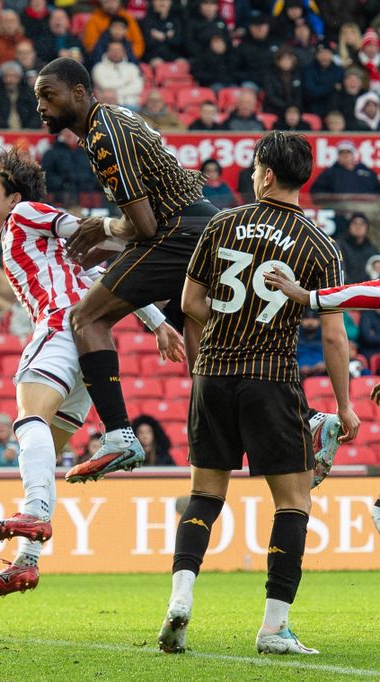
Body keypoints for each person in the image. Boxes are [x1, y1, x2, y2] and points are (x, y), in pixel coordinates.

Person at [158, 132, 356, 657]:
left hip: (214, 375)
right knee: (293, 501)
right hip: (271, 378)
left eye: (253, 166)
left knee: (204, 495)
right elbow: (334, 334)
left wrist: (220, 338)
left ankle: (180, 599)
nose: (251, 173)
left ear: (266, 174)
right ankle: (273, 628)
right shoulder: (320, 245)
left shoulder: (221, 224)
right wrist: (344, 405)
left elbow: (189, 302)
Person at [0, 149, 180, 597]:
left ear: (12, 199)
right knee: (46, 447)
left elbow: (77, 227)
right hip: (89, 341)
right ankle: (26, 561)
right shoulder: (34, 244)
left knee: (28, 418)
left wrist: (121, 228)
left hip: (60, 325)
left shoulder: (25, 213)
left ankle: (34, 513)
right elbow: (99, 275)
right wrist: (158, 324)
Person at [33, 58, 220, 483]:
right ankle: (293, 419)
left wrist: (102, 226)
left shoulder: (102, 136)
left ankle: (119, 434)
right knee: (199, 332)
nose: (41, 106)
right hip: (201, 227)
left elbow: (144, 226)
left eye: (48, 95)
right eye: (38, 98)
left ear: (79, 93)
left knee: (87, 317)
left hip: (178, 234)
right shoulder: (113, 122)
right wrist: (107, 242)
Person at [309, 140, 380, 200]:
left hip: (365, 209)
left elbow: (377, 190)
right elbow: (316, 192)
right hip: (339, 210)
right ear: (338, 156)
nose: (345, 155)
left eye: (348, 152)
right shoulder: (329, 173)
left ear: (354, 155)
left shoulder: (367, 172)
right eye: (342, 153)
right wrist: (334, 199)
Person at [0, 61, 40, 129]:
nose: (9, 80)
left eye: (13, 76)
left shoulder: (28, 92)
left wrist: (28, 129)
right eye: (6, 76)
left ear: (19, 77)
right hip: (2, 131)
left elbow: (36, 113)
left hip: (27, 131)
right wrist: (5, 128)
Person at [91, 42, 144, 109]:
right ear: (107, 51)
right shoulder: (98, 68)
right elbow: (105, 85)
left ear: (124, 52)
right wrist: (126, 82)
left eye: (118, 50)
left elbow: (137, 88)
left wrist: (114, 93)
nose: (115, 53)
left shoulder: (132, 68)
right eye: (112, 50)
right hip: (107, 106)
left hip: (132, 106)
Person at [234, 12, 278, 90]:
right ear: (250, 28)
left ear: (267, 27)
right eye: (255, 26)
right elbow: (235, 70)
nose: (259, 29)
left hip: (273, 81)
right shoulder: (243, 46)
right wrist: (252, 76)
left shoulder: (276, 44)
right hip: (252, 82)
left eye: (262, 26)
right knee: (247, 87)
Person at [338, 214, 378, 284]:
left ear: (367, 228)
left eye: (362, 224)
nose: (358, 227)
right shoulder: (340, 246)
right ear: (349, 227)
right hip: (345, 288)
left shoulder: (372, 249)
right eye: (355, 223)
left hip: (366, 289)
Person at [141, 0, 184, 65]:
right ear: (152, 2)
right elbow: (148, 43)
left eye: (166, 1)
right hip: (153, 55)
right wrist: (168, 37)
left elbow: (178, 42)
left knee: (183, 63)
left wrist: (162, 37)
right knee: (158, 63)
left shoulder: (176, 19)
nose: (162, 3)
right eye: (159, 0)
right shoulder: (147, 20)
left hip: (172, 54)